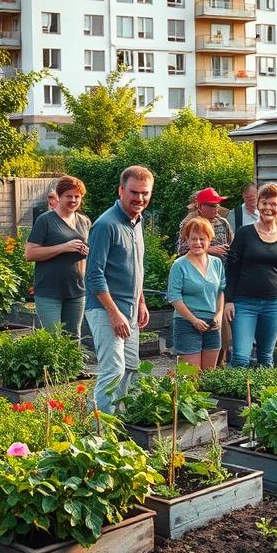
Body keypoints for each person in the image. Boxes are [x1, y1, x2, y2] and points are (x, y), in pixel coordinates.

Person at [86, 165, 154, 414]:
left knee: (129, 369)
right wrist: (114, 313)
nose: (140, 198)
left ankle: (118, 423)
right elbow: (93, 275)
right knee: (112, 371)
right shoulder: (106, 224)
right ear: (121, 190)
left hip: (131, 309)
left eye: (145, 193)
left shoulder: (136, 221)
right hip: (106, 310)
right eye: (134, 192)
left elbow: (136, 267)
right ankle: (100, 431)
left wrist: (142, 300)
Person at [224, 183, 277, 367]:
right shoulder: (244, 233)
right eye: (264, 203)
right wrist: (228, 300)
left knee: (266, 357)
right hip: (244, 303)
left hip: (274, 304)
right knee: (240, 357)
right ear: (258, 204)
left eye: (273, 204)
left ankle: (262, 396)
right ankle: (237, 395)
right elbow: (231, 268)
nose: (268, 208)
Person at [25, 175, 91, 336]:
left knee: (73, 338)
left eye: (77, 196)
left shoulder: (84, 221)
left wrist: (87, 252)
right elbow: (30, 253)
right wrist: (63, 247)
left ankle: (73, 363)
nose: (74, 200)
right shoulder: (45, 220)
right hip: (49, 290)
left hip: (76, 289)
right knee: (52, 338)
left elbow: (89, 254)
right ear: (59, 196)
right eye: (69, 196)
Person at [166, 216, 225, 370]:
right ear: (186, 240)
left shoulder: (217, 263)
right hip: (187, 323)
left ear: (209, 239)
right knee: (191, 377)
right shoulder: (179, 265)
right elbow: (174, 297)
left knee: (209, 377)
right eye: (193, 239)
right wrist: (194, 320)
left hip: (212, 325)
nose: (198, 243)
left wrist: (219, 314)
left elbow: (220, 291)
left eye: (202, 239)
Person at [176, 187, 233, 257]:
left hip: (221, 267)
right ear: (200, 206)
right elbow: (181, 251)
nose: (216, 208)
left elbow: (233, 245)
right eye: (212, 205)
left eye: (217, 205)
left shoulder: (223, 222)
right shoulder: (190, 224)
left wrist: (227, 248)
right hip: (197, 266)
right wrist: (208, 250)